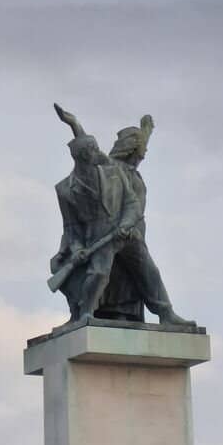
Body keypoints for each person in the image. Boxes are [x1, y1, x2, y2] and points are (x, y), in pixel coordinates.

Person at [51, 103, 194, 328]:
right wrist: (77, 248)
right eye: (91, 152)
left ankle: (166, 313)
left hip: (127, 232)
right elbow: (71, 226)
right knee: (99, 273)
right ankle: (85, 314)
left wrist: (127, 224)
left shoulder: (113, 172)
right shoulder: (65, 189)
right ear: (82, 157)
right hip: (98, 238)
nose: (97, 154)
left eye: (96, 150)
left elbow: (131, 203)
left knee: (148, 270)